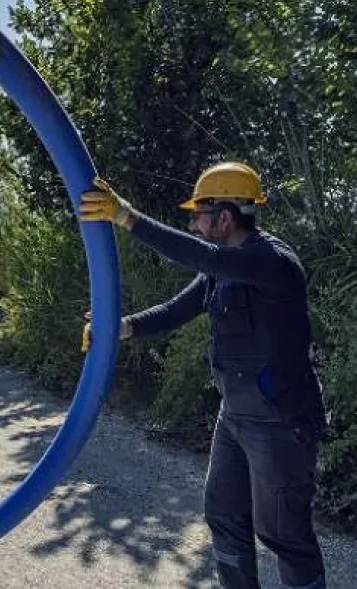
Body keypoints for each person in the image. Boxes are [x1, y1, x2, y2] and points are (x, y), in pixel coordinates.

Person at [79, 161, 327, 589]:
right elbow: (177, 308)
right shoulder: (220, 270)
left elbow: (203, 255)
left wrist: (126, 216)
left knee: (284, 536)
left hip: (280, 422)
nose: (192, 224)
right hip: (233, 417)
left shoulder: (271, 261)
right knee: (225, 518)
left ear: (225, 217)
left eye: (198, 214)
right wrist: (124, 327)